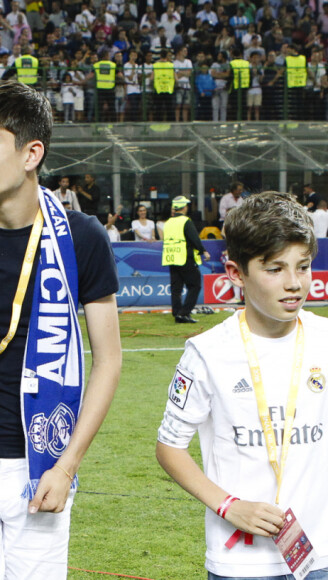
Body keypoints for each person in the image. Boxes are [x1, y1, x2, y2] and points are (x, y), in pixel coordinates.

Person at [156, 191, 328, 579]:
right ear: (237, 273)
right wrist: (228, 506)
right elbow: (169, 448)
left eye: (302, 267)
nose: (294, 284)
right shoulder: (206, 353)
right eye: (275, 269)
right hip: (239, 561)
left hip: (317, 555)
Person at [0, 81, 121, 579]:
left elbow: (109, 360)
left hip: (38, 466)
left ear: (32, 154)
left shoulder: (80, 236)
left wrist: (66, 464)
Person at [161, 195, 210, 323]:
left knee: (176, 289)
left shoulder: (168, 222)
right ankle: (184, 313)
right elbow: (194, 238)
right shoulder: (185, 221)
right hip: (185, 257)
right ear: (184, 207)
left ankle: (177, 312)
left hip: (171, 257)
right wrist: (203, 251)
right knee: (195, 285)